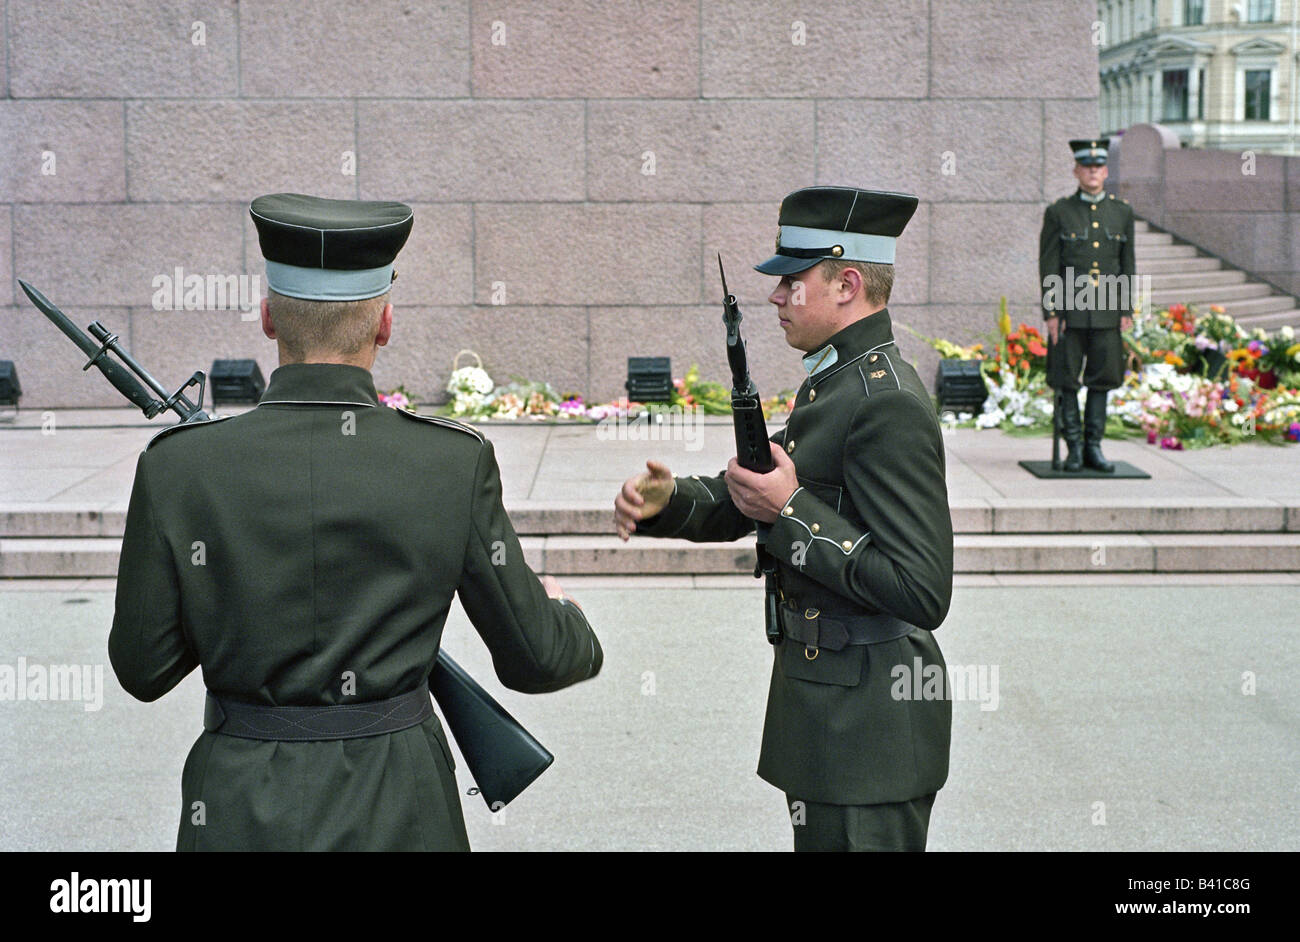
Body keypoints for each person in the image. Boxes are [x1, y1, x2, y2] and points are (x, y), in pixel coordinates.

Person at [108, 193, 602, 851]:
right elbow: (537, 659)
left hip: (238, 807)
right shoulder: (451, 463)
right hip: (401, 806)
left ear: (267, 319)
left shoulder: (180, 467)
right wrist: (566, 615)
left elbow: (143, 668)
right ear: (386, 323)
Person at [614, 186, 953, 852]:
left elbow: (921, 588)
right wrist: (673, 500)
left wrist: (793, 511)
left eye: (791, 282)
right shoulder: (835, 381)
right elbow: (762, 492)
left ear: (848, 283)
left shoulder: (886, 402)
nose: (775, 297)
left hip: (870, 734)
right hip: (829, 713)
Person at [1038, 137, 1137, 472]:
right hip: (1069, 311)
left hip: (1108, 309)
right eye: (1086, 167)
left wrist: (1126, 308)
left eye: (1098, 167)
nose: (1092, 172)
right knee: (1066, 380)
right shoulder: (1059, 212)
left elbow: (1128, 263)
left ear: (1105, 171)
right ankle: (1074, 449)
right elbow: (1049, 264)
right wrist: (1051, 312)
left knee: (1103, 379)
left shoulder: (1122, 212)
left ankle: (1094, 447)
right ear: (1076, 170)